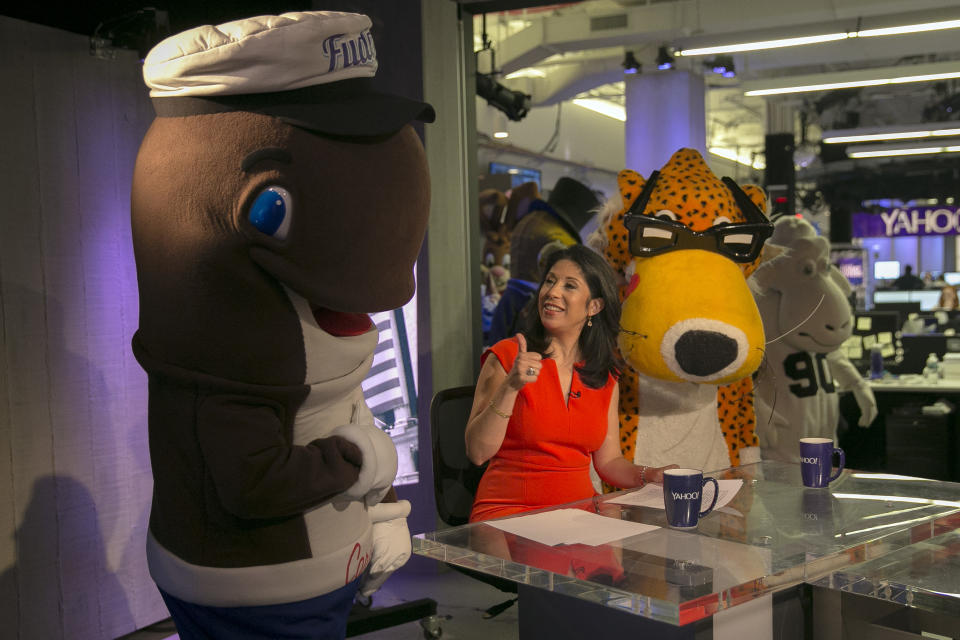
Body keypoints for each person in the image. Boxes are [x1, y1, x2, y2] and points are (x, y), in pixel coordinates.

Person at [466, 245, 675, 522]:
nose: (552, 292)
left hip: (580, 515)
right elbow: (477, 452)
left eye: (569, 285)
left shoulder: (604, 374)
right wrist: (511, 387)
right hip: (508, 513)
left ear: (594, 306)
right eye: (550, 281)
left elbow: (609, 462)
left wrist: (649, 475)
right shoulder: (507, 355)